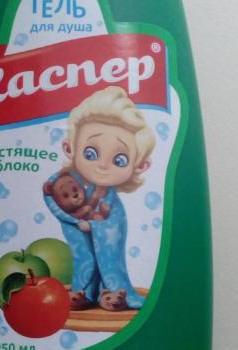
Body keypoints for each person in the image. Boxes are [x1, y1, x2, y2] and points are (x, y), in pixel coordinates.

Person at [43, 86, 155, 311]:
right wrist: (76, 221)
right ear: (70, 148)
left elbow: (113, 231)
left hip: (103, 222)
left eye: (120, 160)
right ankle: (84, 291)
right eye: (90, 154)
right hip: (77, 225)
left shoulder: (112, 203)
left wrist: (95, 225)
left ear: (140, 165)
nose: (103, 165)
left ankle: (112, 292)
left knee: (111, 255)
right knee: (83, 255)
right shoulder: (62, 182)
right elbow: (53, 199)